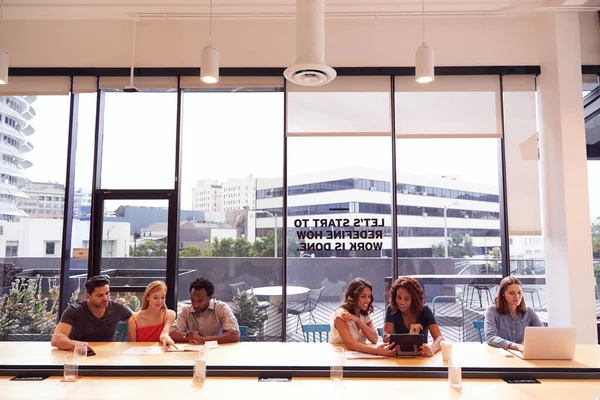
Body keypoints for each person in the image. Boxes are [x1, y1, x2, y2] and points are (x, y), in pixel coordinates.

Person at [51, 275, 132, 351]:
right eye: (100, 295)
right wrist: (77, 345)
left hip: (107, 353)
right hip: (81, 354)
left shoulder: (117, 308)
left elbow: (137, 320)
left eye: (107, 293)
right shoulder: (75, 310)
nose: (105, 298)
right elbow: (56, 339)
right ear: (88, 296)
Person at [330, 277, 396, 356]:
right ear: (353, 296)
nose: (367, 300)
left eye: (369, 296)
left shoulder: (364, 314)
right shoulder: (341, 314)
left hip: (357, 356)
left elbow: (374, 339)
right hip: (340, 356)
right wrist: (377, 351)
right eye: (363, 296)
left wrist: (358, 321)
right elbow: (350, 344)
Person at [383, 276, 443, 357]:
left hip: (421, 358)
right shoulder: (391, 309)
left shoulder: (424, 311)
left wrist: (432, 348)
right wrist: (409, 336)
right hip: (398, 358)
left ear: (414, 299)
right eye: (399, 297)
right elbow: (385, 337)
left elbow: (440, 338)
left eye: (407, 299)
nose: (401, 302)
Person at [170, 277, 240, 344]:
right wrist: (191, 337)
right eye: (193, 300)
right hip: (193, 352)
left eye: (200, 301)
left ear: (209, 298)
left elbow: (235, 335)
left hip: (217, 351)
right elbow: (171, 333)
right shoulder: (186, 311)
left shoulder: (221, 308)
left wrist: (202, 340)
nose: (195, 305)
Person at [484, 276, 543, 351]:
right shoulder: (492, 311)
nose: (517, 296)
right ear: (503, 294)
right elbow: (490, 337)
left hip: (523, 352)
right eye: (511, 293)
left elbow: (542, 333)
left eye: (519, 292)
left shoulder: (529, 311)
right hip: (501, 353)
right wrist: (515, 346)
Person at [128, 280, 176, 349]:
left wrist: (166, 338)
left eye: (163, 297)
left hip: (163, 357)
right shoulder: (133, 321)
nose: (159, 301)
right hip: (142, 357)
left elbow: (164, 334)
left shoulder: (169, 314)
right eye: (155, 298)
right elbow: (131, 347)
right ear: (147, 297)